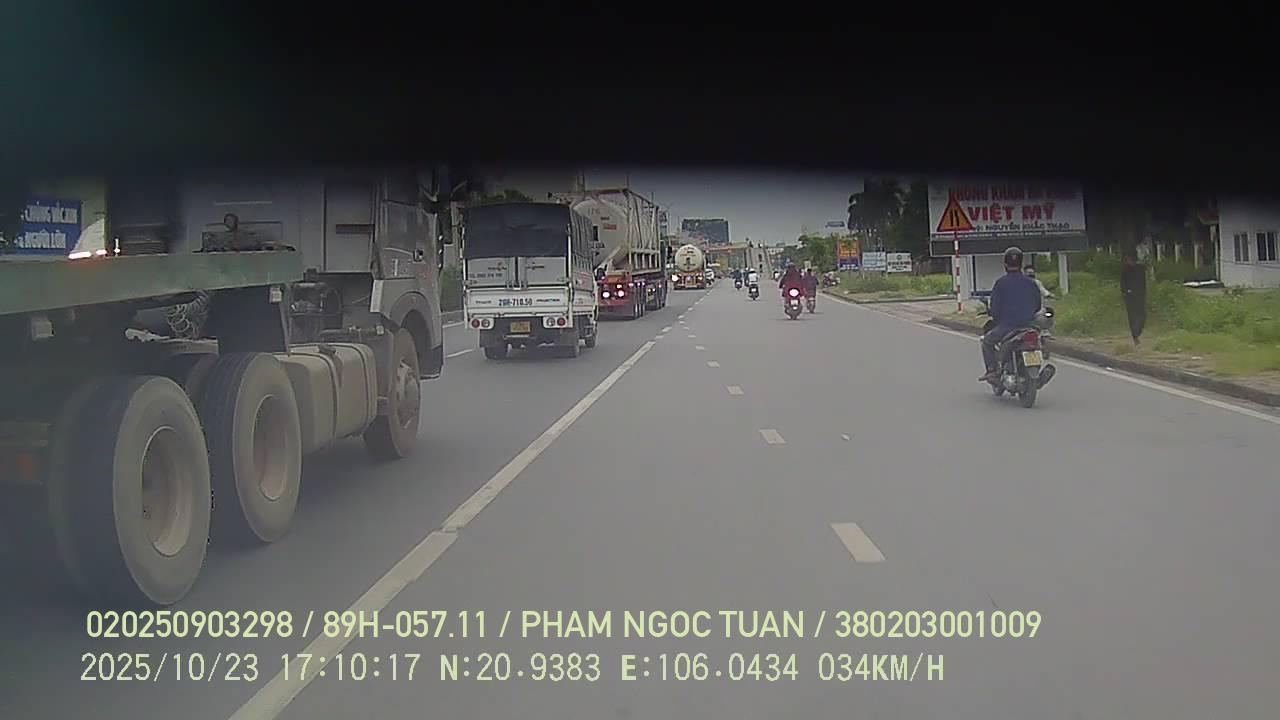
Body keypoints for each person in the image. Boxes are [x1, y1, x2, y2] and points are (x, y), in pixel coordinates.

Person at [979, 247, 1043, 382]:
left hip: (1008, 326)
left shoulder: (1001, 283)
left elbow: (995, 309)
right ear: (1021, 263)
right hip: (1029, 325)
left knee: (987, 341)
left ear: (1005, 264)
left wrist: (996, 316)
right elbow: (1038, 305)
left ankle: (991, 370)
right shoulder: (1031, 283)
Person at [1120, 250, 1147, 345]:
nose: (1129, 261)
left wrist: (1144, 293)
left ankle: (1138, 331)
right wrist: (1126, 292)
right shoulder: (1125, 270)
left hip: (1139, 295)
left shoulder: (1140, 269)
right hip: (1130, 296)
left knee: (1142, 315)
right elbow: (1122, 283)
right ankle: (1135, 336)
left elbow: (1143, 282)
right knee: (1132, 316)